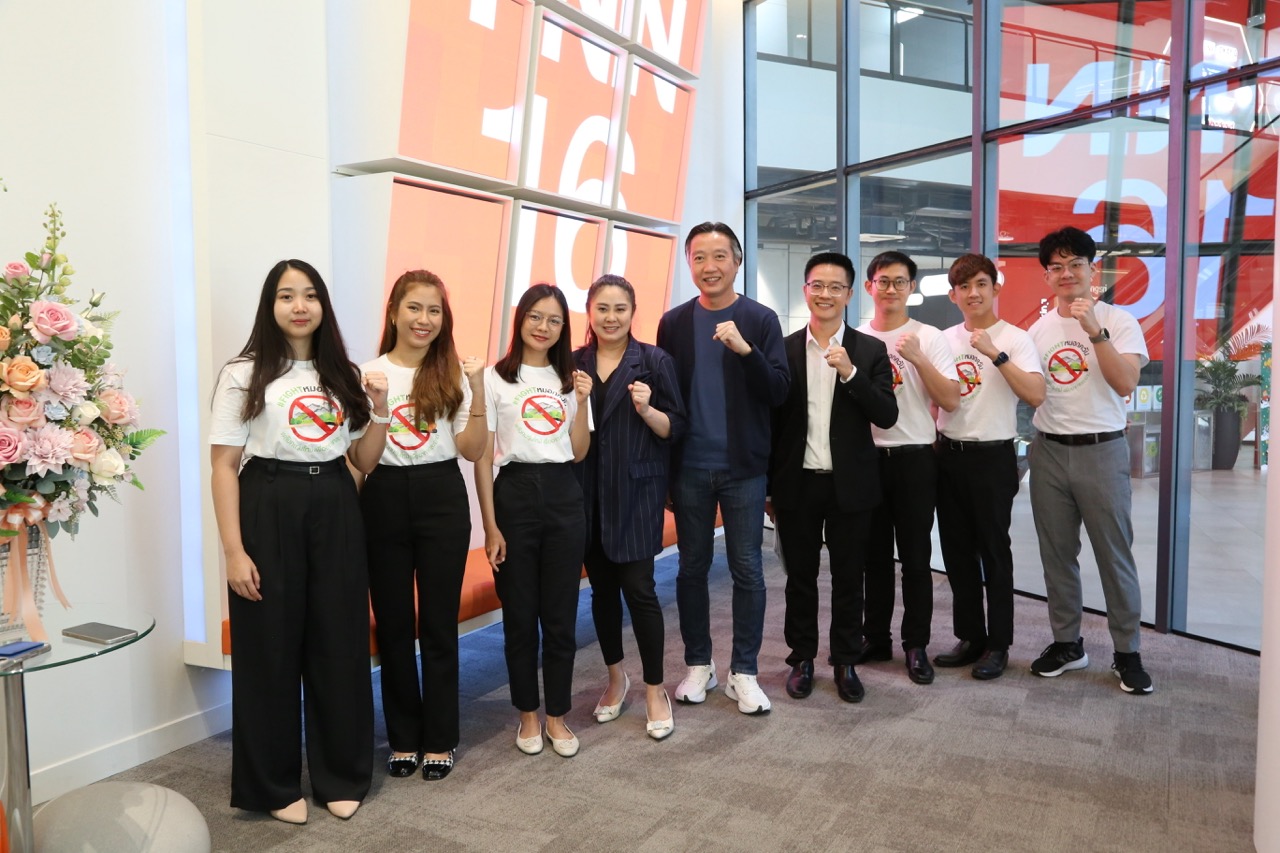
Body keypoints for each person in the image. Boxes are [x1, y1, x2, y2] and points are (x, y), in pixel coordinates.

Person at [210, 259, 387, 824]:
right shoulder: (243, 373)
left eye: (309, 295)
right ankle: (273, 786)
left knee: (340, 640)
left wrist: (380, 412)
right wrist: (234, 551)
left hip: (335, 499)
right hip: (268, 498)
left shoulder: (344, 373)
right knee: (268, 648)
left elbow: (363, 460)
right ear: (271, 306)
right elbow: (223, 466)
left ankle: (342, 774)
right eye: (286, 296)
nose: (299, 306)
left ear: (323, 306)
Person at [357, 270, 488, 782]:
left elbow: (472, 450)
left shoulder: (451, 374)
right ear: (394, 312)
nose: (424, 319)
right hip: (384, 497)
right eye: (414, 307)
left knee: (437, 624)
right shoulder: (368, 374)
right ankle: (403, 737)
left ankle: (439, 738)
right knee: (393, 625)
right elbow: (359, 458)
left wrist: (477, 388)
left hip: (441, 497)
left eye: (434, 310)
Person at [656, 221, 790, 715]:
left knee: (747, 569)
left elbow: (779, 390)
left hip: (744, 468)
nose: (709, 267)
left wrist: (745, 351)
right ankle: (699, 664)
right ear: (689, 264)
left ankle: (744, 672)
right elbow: (667, 398)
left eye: (719, 257)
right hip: (689, 466)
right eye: (699, 257)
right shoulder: (673, 323)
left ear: (737, 261)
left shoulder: (759, 319)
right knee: (690, 569)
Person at [1026, 227, 1153, 694]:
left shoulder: (1120, 321)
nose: (1066, 274)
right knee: (1057, 556)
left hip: (1102, 450)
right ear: (1047, 277)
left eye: (1075, 264)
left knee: (1114, 555)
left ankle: (1127, 652)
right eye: (1056, 267)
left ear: (1092, 270)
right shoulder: (1037, 330)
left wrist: (1095, 332)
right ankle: (1067, 644)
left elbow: (1125, 383)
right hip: (1049, 450)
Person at [767, 252, 897, 704]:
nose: (825, 294)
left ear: (849, 293)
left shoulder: (870, 350)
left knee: (848, 578)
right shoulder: (784, 349)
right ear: (806, 290)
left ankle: (845, 660)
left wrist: (851, 374)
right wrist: (769, 487)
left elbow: (887, 414)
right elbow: (771, 424)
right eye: (817, 285)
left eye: (835, 287)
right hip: (798, 482)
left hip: (851, 485)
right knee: (799, 578)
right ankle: (801, 658)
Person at [474, 283, 592, 756]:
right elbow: (483, 457)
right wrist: (490, 527)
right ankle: (527, 715)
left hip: (564, 493)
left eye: (554, 320)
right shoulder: (494, 378)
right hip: (515, 493)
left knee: (561, 617)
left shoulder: (570, 380)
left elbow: (579, 451)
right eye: (535, 317)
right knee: (520, 616)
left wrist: (583, 402)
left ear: (564, 328)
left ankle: (557, 717)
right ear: (520, 318)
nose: (544, 327)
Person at [574, 274, 686, 740]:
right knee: (601, 592)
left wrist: (647, 410)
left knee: (640, 591)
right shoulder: (573, 362)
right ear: (590, 311)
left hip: (636, 495)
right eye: (602, 308)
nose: (611, 317)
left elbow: (676, 428)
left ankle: (655, 689)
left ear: (633, 312)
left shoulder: (654, 361)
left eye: (620, 308)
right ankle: (616, 677)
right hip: (585, 495)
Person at [933, 254, 1045, 680]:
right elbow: (934, 399)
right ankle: (970, 637)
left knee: (995, 553)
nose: (973, 293)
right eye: (964, 286)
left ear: (995, 288)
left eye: (981, 284)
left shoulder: (1016, 338)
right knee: (956, 553)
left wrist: (996, 354)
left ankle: (999, 644)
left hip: (993, 456)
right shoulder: (943, 339)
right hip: (948, 454)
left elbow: (1035, 394)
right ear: (953, 295)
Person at [856, 250, 959, 686]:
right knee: (873, 558)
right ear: (869, 287)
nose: (891, 289)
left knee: (916, 559)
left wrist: (917, 358)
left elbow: (950, 399)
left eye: (900, 281)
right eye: (883, 281)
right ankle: (876, 638)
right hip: (867, 459)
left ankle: (915, 645)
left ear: (911, 288)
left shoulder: (929, 337)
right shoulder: (855, 337)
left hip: (915, 457)